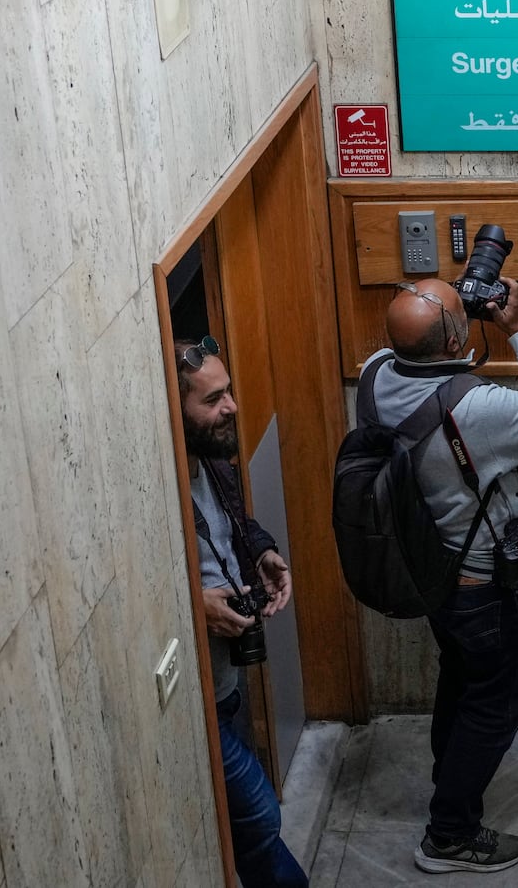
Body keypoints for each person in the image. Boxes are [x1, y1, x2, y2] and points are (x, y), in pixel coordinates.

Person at [359, 276, 518, 875]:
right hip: (485, 585)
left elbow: (415, 342)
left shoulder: (376, 374)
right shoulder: (475, 409)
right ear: (457, 334)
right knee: (493, 704)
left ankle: (449, 778)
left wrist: (445, 309)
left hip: (435, 577)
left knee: (461, 685)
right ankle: (450, 836)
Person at [175, 336, 307, 888]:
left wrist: (264, 551)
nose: (230, 407)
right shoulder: (160, 482)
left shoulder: (212, 459)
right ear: (172, 407)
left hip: (229, 680)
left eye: (227, 392)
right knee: (259, 814)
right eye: (212, 400)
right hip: (194, 692)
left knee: (251, 829)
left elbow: (235, 525)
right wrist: (193, 603)